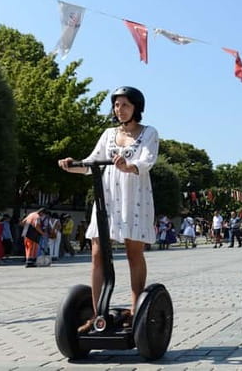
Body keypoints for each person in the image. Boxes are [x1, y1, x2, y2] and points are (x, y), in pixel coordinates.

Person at [58, 86, 159, 333]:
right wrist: (72, 165)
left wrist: (129, 165)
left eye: (125, 104)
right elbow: (93, 162)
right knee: (97, 253)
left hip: (134, 197)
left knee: (133, 253)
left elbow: (146, 161)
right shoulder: (108, 134)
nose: (119, 109)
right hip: (108, 198)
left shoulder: (149, 133)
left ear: (136, 107)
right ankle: (97, 315)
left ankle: (136, 311)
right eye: (116, 105)